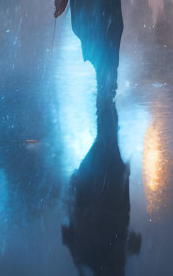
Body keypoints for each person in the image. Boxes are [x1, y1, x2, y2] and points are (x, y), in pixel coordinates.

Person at [61, 101, 141, 271]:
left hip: (101, 201)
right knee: (108, 135)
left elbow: (69, 235)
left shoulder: (90, 257)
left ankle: (106, 93)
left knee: (108, 135)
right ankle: (106, 93)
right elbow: (68, 235)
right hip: (103, 202)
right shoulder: (92, 258)